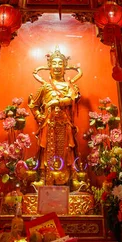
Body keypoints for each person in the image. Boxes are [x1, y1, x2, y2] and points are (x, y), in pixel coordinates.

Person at [28, 48, 82, 186]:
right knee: (45, 149)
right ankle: (43, 178)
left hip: (64, 124)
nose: (57, 66)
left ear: (64, 67)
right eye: (54, 63)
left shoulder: (69, 86)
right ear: (49, 67)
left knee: (68, 149)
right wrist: (39, 116)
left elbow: (72, 98)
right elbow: (33, 104)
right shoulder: (45, 87)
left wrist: (57, 102)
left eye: (60, 63)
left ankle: (73, 178)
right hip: (48, 124)